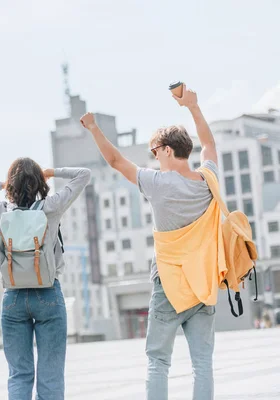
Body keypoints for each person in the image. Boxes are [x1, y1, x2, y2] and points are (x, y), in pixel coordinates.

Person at [82, 84, 220, 400]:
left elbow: (115, 161)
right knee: (203, 364)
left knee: (158, 362)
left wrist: (93, 128)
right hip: (203, 283)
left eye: (154, 151)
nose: (153, 158)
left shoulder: (157, 183)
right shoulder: (208, 180)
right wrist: (193, 107)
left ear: (167, 150)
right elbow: (209, 144)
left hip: (168, 284)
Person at [0, 158, 91, 400]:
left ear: (11, 185)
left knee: (19, 374)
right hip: (47, 293)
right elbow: (83, 174)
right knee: (51, 375)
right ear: (40, 183)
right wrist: (52, 172)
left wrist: (4, 184)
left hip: (13, 297)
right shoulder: (51, 208)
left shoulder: (1, 211)